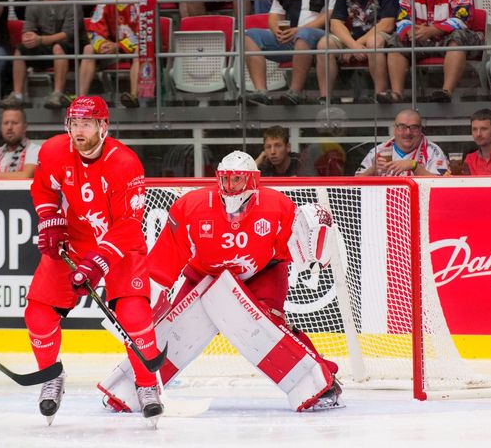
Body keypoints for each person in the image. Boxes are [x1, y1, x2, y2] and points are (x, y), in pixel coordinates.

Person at [98, 150, 343, 413]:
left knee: (271, 327)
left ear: (252, 181)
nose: (230, 186)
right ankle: (136, 387)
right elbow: (162, 266)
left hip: (262, 273)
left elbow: (301, 250)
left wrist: (315, 236)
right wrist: (142, 303)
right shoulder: (191, 207)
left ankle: (324, 381)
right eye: (226, 179)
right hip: (204, 275)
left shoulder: (277, 206)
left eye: (238, 179)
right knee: (172, 329)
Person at [26, 96, 163, 424]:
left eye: (86, 124)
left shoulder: (125, 163)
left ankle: (147, 386)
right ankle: (51, 377)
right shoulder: (55, 151)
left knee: (134, 313)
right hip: (74, 243)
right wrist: (50, 219)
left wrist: (99, 260)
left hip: (119, 245)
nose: (78, 131)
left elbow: (129, 225)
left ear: (104, 127)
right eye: (74, 123)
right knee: (38, 315)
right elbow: (44, 189)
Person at [378, 0, 483, 104]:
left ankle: (446, 92)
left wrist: (433, 30)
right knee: (397, 39)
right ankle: (397, 94)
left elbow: (461, 19)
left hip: (453, 36)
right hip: (422, 37)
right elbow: (402, 18)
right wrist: (410, 30)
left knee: (457, 37)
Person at [243, 0, 335, 106]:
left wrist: (298, 30)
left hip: (320, 36)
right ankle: (261, 93)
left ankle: (294, 92)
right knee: (250, 35)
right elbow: (274, 15)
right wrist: (276, 30)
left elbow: (328, 14)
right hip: (290, 36)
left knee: (303, 34)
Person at [0, 0, 85, 110]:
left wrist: (41, 39)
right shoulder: (33, 3)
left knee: (58, 47)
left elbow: (68, 33)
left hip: (70, 44)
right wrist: (28, 38)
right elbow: (28, 29)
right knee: (20, 49)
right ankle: (17, 96)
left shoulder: (72, 1)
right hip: (43, 44)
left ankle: (57, 94)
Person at [315, 0, 399, 104]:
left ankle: (380, 95)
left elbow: (387, 24)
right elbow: (335, 24)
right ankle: (325, 99)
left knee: (373, 42)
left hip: (382, 35)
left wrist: (356, 45)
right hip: (353, 39)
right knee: (324, 44)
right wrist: (353, 46)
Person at [78, 0, 146, 108]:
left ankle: (133, 97)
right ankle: (81, 98)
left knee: (139, 50)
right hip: (112, 47)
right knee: (88, 49)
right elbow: (94, 30)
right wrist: (102, 45)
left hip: (134, 46)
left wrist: (119, 45)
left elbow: (145, 32)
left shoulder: (142, 0)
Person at [356, 109, 448, 176]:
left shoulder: (433, 151)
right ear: (394, 129)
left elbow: (441, 185)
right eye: (402, 127)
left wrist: (414, 166)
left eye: (414, 127)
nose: (408, 132)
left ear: (420, 129)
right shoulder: (379, 151)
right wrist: (373, 169)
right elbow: (355, 184)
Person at [0, 107, 40, 179]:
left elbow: (26, 176)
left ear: (24, 127)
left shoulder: (35, 150)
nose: (9, 127)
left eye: (14, 123)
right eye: (5, 123)